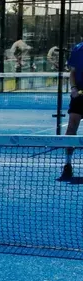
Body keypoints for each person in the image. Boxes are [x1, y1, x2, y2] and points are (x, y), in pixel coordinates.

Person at [59, 37, 83, 180]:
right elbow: (72, 72)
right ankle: (67, 164)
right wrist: (74, 88)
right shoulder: (78, 49)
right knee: (71, 128)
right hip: (79, 95)